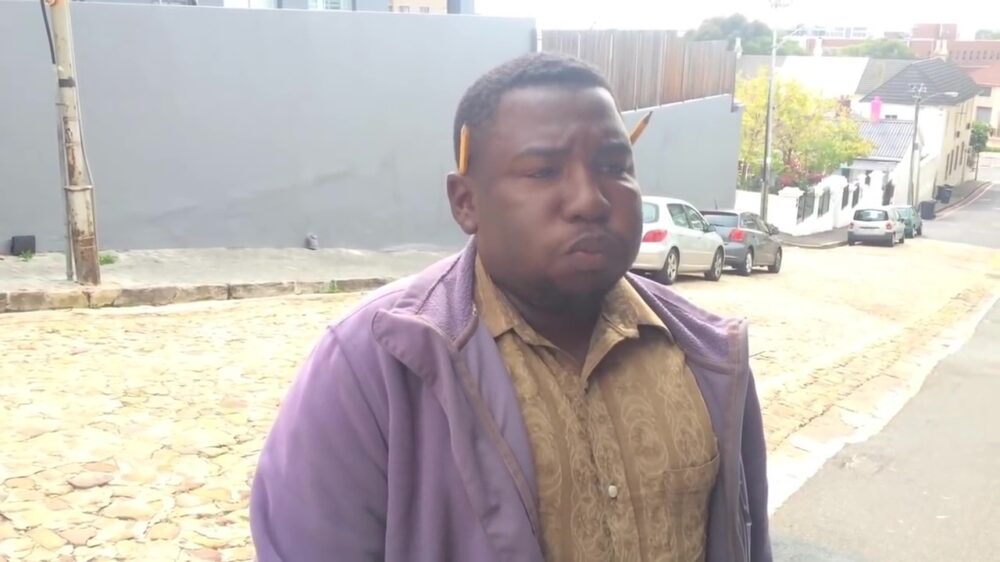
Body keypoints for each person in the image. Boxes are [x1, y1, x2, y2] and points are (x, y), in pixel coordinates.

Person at [250, 53, 771, 562]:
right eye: (543, 171)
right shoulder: (372, 365)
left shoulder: (710, 357)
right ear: (465, 202)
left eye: (615, 166)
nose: (590, 200)